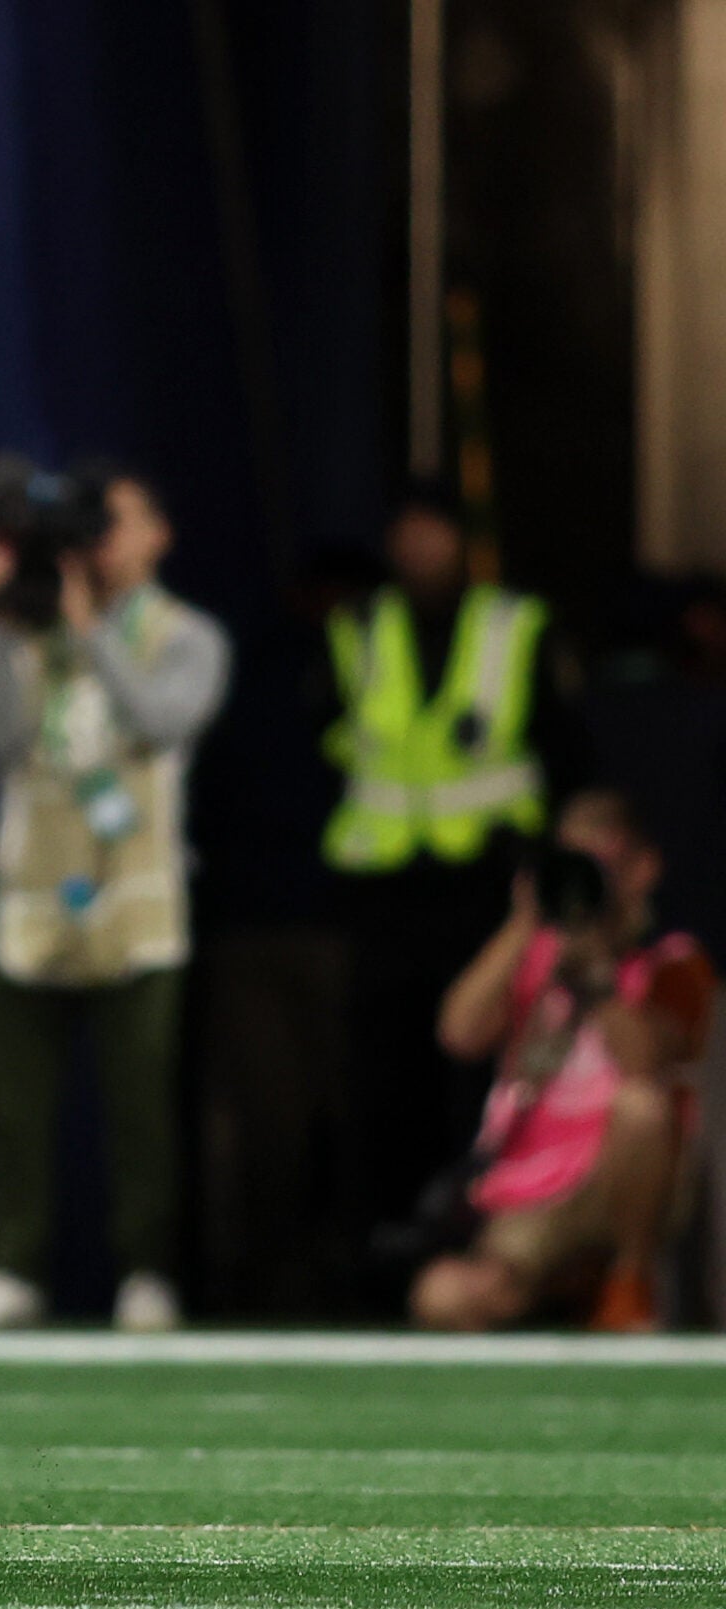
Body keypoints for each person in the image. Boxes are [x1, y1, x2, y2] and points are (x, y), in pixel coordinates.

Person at [0, 463, 231, 1333]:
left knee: (141, 1100)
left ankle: (146, 1269)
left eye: (122, 520)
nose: (104, 537)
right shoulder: (29, 633)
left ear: (157, 536)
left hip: (135, 901)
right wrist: (0, 622)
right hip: (29, 890)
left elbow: (159, 721)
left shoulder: (187, 635)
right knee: (14, 1102)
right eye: (93, 523)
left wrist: (90, 629)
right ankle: (14, 1264)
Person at [323, 485, 587, 1269]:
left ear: (462, 541)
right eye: (408, 533)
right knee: (383, 1072)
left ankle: (474, 1236)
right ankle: (380, 1250)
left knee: (478, 1070)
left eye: (435, 533)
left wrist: (543, 876)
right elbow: (326, 745)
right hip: (385, 887)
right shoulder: (357, 630)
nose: (421, 549)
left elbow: (564, 750)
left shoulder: (516, 627)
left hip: (486, 884)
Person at [409, 790, 712, 1331]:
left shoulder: (675, 964)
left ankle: (627, 1283)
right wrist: (524, 922)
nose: (583, 881)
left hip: (621, 1181)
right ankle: (555, 1299)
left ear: (642, 869)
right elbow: (457, 1033)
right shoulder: (533, 959)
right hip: (532, 1188)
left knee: (640, 1107)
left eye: (598, 865)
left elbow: (645, 1063)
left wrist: (597, 972)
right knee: (441, 1297)